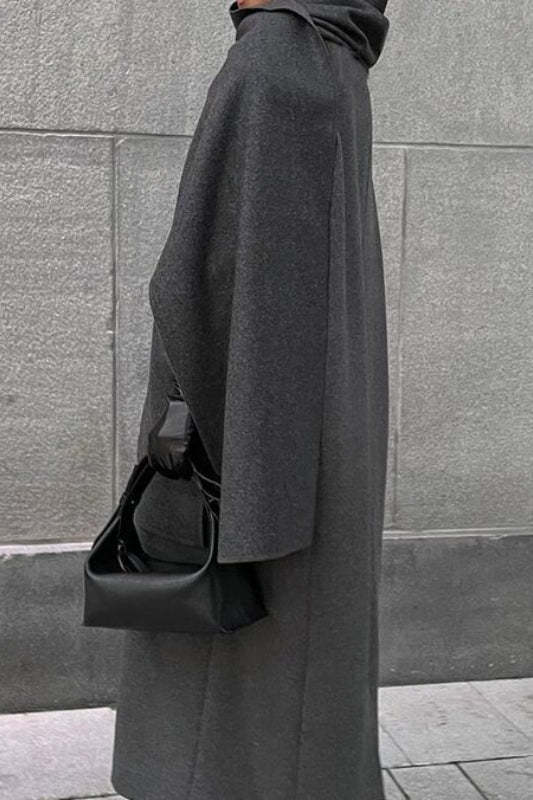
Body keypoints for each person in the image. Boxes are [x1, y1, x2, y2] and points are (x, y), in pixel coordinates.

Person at [111, 1, 390, 798]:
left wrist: (177, 406)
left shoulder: (271, 59)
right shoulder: (338, 65)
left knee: (229, 644)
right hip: (321, 415)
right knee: (307, 648)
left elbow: (197, 274)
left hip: (246, 421)